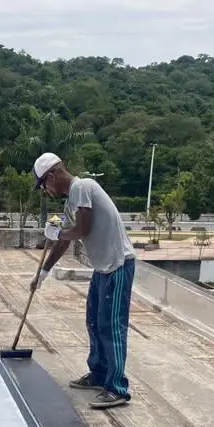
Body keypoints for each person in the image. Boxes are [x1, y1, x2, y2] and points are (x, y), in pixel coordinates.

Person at [30, 152, 136, 409]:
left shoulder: (83, 187)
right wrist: (43, 273)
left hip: (118, 265)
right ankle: (99, 374)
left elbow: (81, 230)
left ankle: (117, 387)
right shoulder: (71, 203)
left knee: (111, 326)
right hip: (102, 268)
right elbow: (63, 242)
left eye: (43, 184)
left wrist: (58, 232)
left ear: (52, 176)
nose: (45, 191)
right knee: (94, 322)